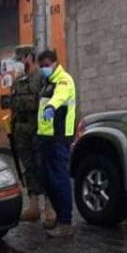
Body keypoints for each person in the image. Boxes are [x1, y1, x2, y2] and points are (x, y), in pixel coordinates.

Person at [10, 45, 55, 225]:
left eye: (20, 60)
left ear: (29, 57)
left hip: (38, 128)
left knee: (42, 166)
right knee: (28, 167)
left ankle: (49, 207)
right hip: (21, 130)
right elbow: (13, 103)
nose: (19, 64)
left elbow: (45, 102)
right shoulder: (18, 80)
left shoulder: (42, 78)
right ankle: (33, 205)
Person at [37, 49, 77, 238]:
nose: (44, 68)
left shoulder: (63, 80)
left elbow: (60, 96)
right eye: (41, 66)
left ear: (55, 63)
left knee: (60, 180)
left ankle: (65, 223)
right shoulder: (47, 82)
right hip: (46, 137)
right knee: (47, 180)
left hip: (60, 138)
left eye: (46, 65)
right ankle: (58, 217)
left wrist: (52, 105)